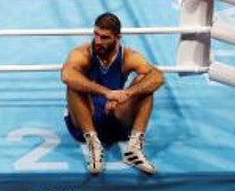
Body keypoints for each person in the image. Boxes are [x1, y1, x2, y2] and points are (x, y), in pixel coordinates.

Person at [61, 12, 164, 175]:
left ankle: (134, 149)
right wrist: (107, 93)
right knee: (73, 85)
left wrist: (126, 94)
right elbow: (67, 75)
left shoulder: (128, 57)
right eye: (96, 35)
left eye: (105, 37)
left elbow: (158, 77)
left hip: (116, 118)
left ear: (117, 38)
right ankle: (94, 146)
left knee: (145, 85)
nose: (98, 41)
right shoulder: (83, 53)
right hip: (85, 119)